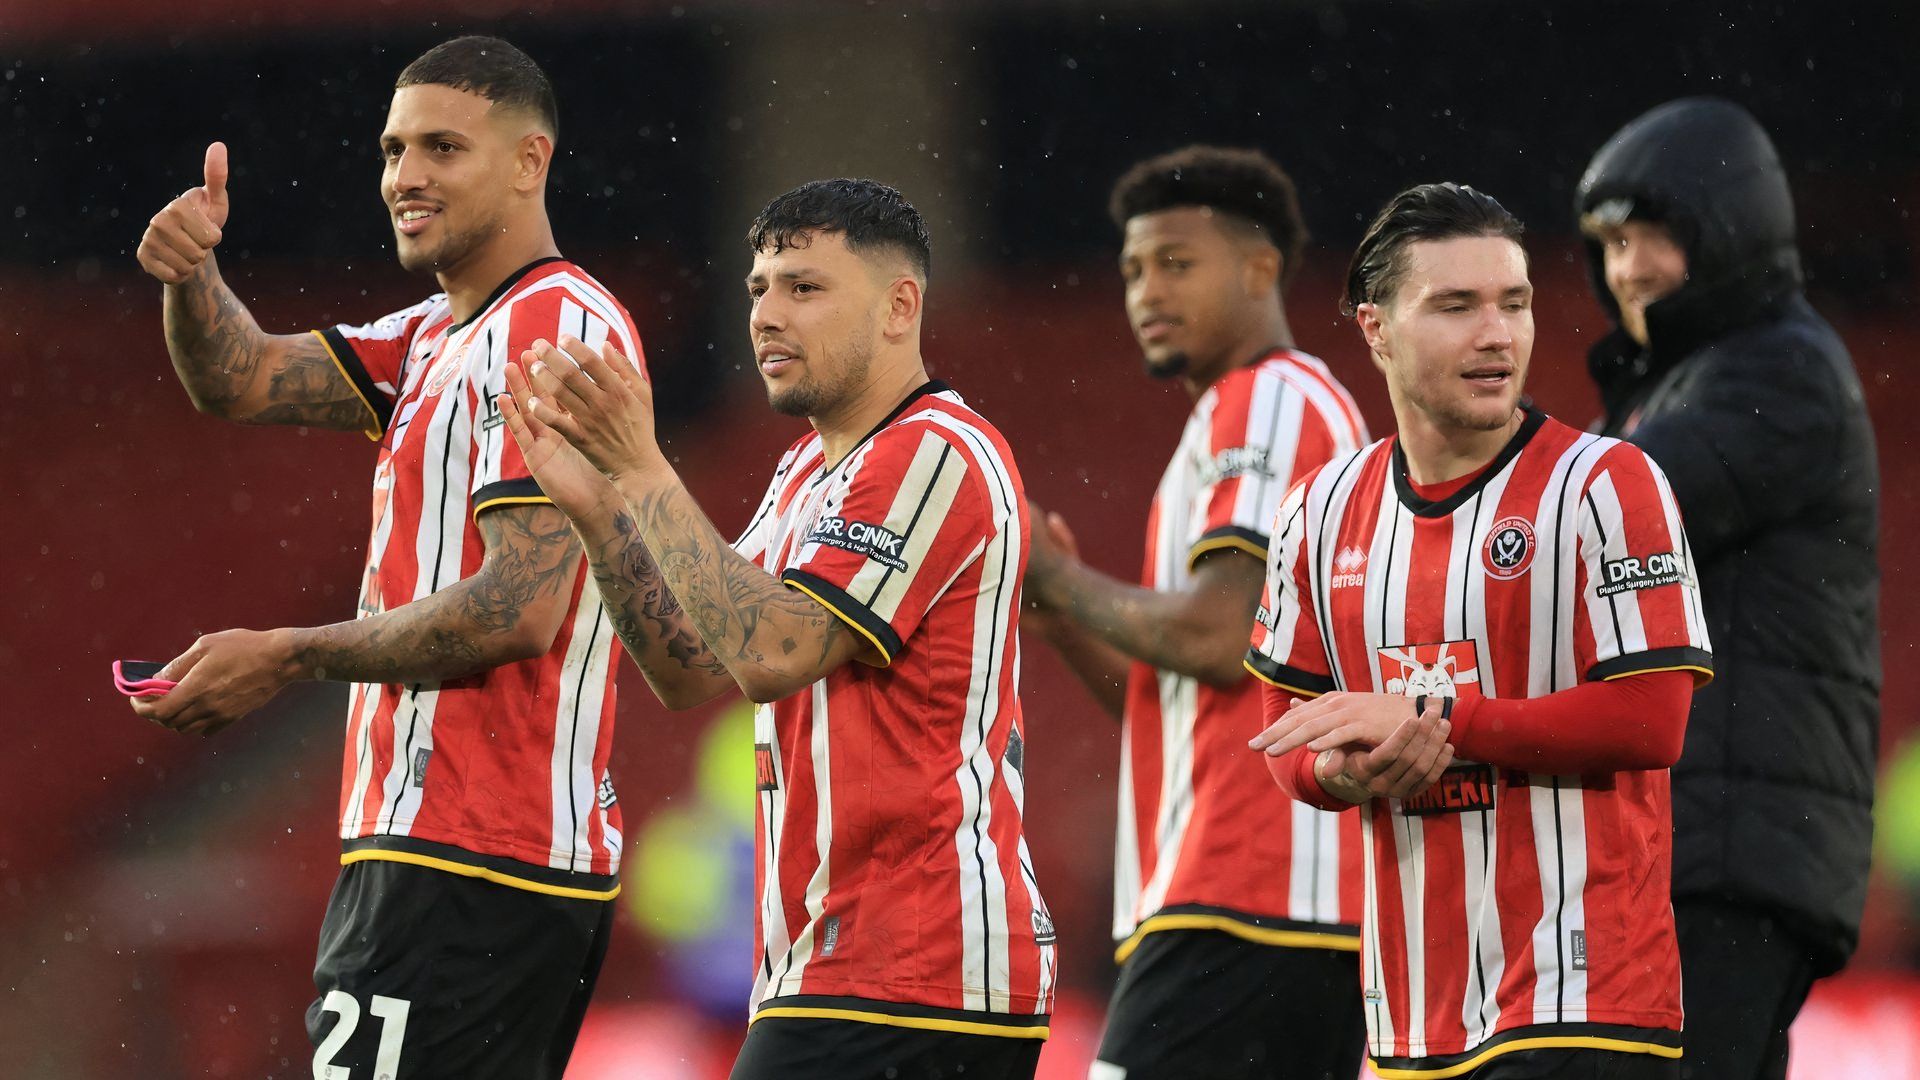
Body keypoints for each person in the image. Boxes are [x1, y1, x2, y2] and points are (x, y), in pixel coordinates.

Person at [131, 36, 642, 1079]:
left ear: (528, 161)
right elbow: (241, 379)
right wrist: (194, 276)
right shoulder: (432, 336)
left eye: (442, 147)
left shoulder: (555, 327)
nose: (405, 176)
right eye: (392, 149)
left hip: (475, 852)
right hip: (446, 851)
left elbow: (518, 609)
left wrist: (285, 653)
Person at [494, 178, 1056, 1079]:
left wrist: (644, 470)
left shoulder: (936, 448)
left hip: (920, 966)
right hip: (833, 969)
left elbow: (771, 652)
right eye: (758, 288)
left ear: (899, 306)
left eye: (804, 287)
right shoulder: (804, 471)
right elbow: (691, 667)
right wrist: (603, 513)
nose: (766, 313)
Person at [1245, 182, 1713, 1079]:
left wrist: (1438, 724)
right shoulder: (1317, 511)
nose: (1497, 334)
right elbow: (1286, 732)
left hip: (1583, 999)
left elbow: (1652, 722)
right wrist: (1344, 772)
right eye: (1456, 306)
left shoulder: (1608, 486)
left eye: (1515, 303)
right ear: (1376, 328)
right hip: (1409, 1017)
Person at [1021, 145, 1369, 1079]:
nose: (1146, 290)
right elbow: (1175, 702)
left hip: (1246, 892)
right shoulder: (1255, 412)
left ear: (1262, 268)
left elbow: (1222, 638)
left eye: (1177, 261)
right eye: (1133, 269)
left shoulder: (1266, 402)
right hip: (1276, 904)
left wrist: (1057, 577)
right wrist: (1065, 622)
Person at [1575, 97, 1881, 1080]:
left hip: (1729, 853)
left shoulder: (1776, 371)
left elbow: (1610, 514)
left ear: (1730, 226)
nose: (1626, 269)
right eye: (1611, 244)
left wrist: (1460, 485)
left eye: (1651, 235)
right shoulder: (1696, 379)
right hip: (1711, 846)